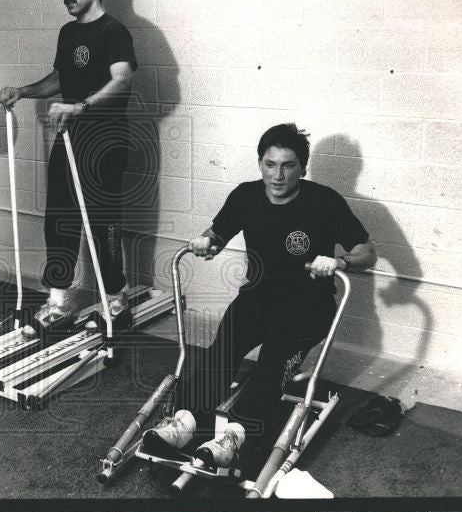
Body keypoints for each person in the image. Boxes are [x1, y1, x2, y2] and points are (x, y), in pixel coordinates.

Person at [144, 122, 377, 469]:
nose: (278, 175)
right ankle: (186, 420)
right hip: (257, 299)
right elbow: (217, 233)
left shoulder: (324, 201)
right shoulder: (246, 195)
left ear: (303, 167)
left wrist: (340, 261)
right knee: (223, 348)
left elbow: (367, 251)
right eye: (270, 164)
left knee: (273, 359)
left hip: (308, 306)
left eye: (288, 165)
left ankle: (235, 435)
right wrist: (206, 242)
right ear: (260, 163)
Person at [0, 0, 136, 331]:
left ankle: (116, 298)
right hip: (69, 136)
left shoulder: (115, 32)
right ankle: (59, 300)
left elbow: (121, 81)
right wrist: (24, 91)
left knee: (103, 221)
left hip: (105, 140)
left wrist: (81, 106)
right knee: (59, 217)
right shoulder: (68, 33)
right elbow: (61, 77)